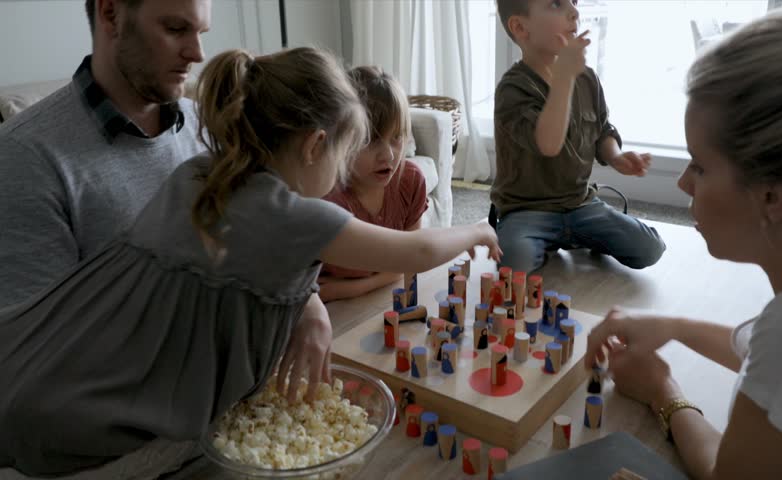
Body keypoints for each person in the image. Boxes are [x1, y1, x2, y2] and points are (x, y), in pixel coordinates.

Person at [0, 47, 500, 478]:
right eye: (346, 152)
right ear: (314, 147)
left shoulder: (203, 171)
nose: (343, 171)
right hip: (94, 409)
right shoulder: (288, 213)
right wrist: (478, 228)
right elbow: (413, 251)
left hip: (45, 365)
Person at [585, 12, 782, 479]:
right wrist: (674, 325)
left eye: (701, 167)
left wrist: (662, 390)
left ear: (771, 196)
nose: (686, 184)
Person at [0, 0, 210, 309]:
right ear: (111, 14)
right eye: (176, 29)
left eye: (201, 32)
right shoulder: (23, 157)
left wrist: (305, 302)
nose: (198, 53)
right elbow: (44, 344)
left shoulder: (212, 127)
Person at [492, 0, 665, 273]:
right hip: (527, 210)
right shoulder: (513, 89)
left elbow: (602, 129)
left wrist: (617, 157)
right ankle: (551, 240)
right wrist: (563, 78)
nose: (574, 11)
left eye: (573, 2)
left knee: (650, 248)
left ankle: (578, 235)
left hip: (581, 204)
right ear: (520, 27)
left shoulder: (587, 79)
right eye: (556, 4)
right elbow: (548, 144)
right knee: (514, 264)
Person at [319, 66, 427, 302]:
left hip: (377, 301)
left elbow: (411, 260)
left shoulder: (410, 181)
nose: (388, 155)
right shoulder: (326, 198)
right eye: (370, 140)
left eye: (396, 137)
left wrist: (349, 288)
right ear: (341, 138)